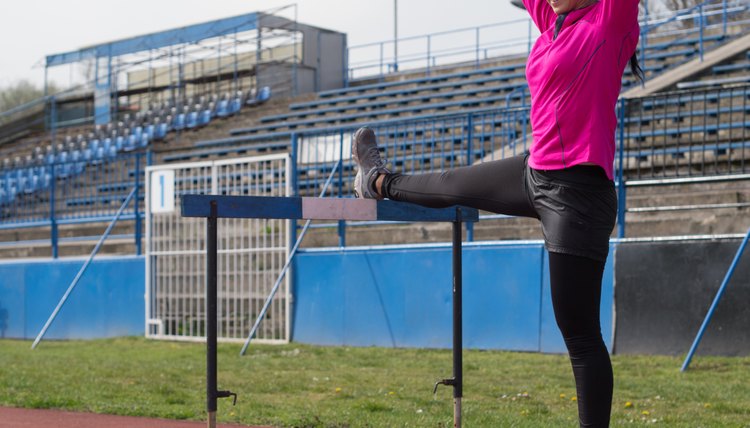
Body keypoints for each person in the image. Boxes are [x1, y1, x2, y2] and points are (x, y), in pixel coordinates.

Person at [350, 0, 641, 426]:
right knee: (452, 184)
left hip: (578, 194)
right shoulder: (553, 16)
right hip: (534, 171)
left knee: (580, 335)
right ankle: (375, 180)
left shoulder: (609, 19)